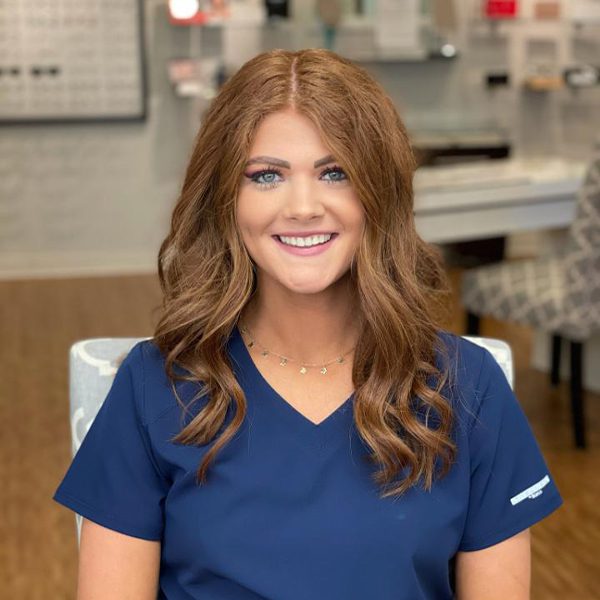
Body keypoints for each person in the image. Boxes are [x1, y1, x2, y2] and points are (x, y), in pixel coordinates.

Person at [53, 48, 563, 599]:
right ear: (226, 198)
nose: (302, 206)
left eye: (335, 172)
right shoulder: (154, 385)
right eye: (266, 175)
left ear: (379, 194)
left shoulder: (467, 386)